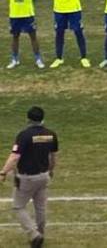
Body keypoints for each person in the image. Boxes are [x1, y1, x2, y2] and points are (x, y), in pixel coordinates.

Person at [1, 106, 57, 248]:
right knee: (40, 207)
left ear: (28, 119)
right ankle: (41, 234)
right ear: (42, 118)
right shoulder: (51, 134)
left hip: (27, 178)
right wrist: (51, 170)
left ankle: (34, 235)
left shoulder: (24, 135)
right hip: (44, 176)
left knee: (18, 207)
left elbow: (14, 157)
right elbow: (53, 156)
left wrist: (3, 172)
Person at [5, 0, 44, 69]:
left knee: (33, 36)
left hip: (28, 14)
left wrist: (27, 5)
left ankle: (38, 59)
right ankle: (14, 59)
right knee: (15, 36)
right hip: (14, 15)